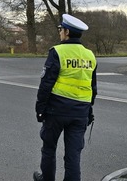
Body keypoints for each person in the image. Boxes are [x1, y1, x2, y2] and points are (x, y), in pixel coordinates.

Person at [33, 14, 97, 181]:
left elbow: (46, 83)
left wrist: (40, 109)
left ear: (67, 32)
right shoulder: (90, 55)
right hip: (80, 112)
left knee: (49, 148)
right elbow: (92, 87)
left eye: (61, 29)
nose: (60, 32)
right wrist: (88, 111)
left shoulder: (57, 52)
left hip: (57, 110)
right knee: (73, 154)